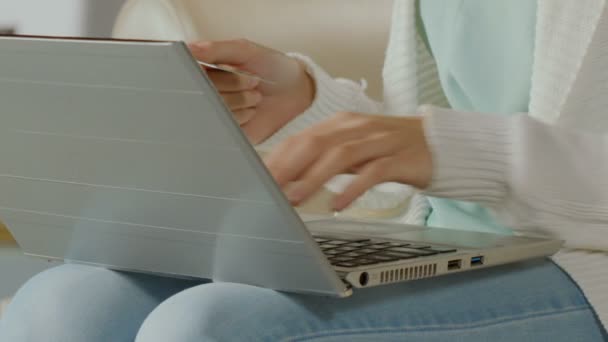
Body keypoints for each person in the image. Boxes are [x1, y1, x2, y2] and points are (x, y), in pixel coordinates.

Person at [2, 0, 608, 340]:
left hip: (583, 261)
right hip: (444, 235)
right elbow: (430, 136)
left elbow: (456, 146)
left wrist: (454, 148)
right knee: (69, 298)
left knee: (208, 329)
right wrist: (304, 102)